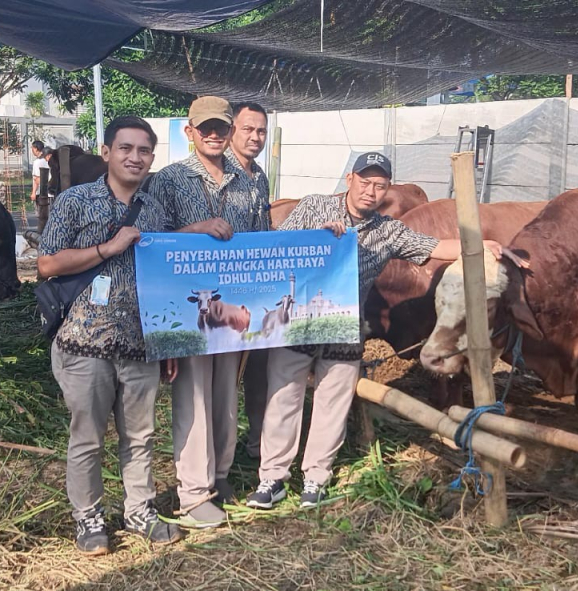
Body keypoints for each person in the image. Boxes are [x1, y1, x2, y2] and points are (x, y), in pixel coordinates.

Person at [246, 152, 521, 509]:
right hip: (297, 323)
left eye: (380, 185)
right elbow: (276, 247)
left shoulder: (388, 230)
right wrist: (314, 237)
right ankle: (272, 477)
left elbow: (433, 247)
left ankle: (315, 478)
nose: (370, 191)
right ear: (350, 180)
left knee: (332, 403)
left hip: (344, 329)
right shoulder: (314, 207)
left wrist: (479, 245)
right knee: (282, 398)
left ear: (386, 190)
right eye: (365, 182)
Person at [37, 116, 183, 554]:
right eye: (125, 148)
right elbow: (46, 264)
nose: (134, 157)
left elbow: (164, 279)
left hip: (141, 344)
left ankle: (140, 509)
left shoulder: (155, 210)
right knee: (88, 436)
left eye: (143, 151)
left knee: (141, 436)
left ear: (152, 157)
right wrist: (106, 248)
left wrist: (169, 340)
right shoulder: (75, 201)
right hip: (85, 344)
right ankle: (89, 518)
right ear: (106, 152)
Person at [148, 95, 272, 528]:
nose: (215, 135)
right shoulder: (169, 179)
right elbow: (148, 241)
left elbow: (263, 239)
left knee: (225, 394)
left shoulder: (253, 180)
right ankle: (193, 493)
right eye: (207, 129)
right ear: (190, 132)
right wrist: (194, 231)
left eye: (222, 127)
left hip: (232, 307)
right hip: (187, 310)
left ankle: (219, 476)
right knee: (194, 398)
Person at [228, 101, 272, 461]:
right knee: (223, 380)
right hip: (223, 293)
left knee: (260, 369)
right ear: (232, 131)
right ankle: (221, 457)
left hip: (256, 291)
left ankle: (257, 443)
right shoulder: (215, 173)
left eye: (261, 131)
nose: (255, 137)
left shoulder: (261, 177)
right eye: (248, 129)